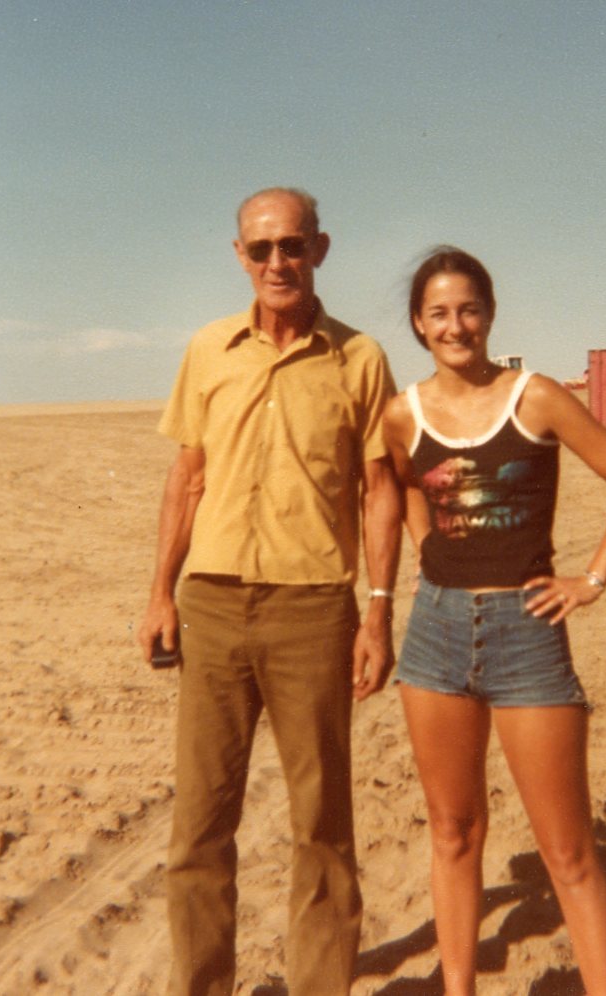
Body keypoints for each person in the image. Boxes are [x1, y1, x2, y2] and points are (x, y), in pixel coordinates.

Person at [137, 187, 401, 996]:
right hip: (212, 606)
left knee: (321, 825)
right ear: (239, 256)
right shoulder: (208, 349)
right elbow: (186, 480)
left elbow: (381, 489)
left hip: (314, 611)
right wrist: (160, 594)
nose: (277, 262)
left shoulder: (359, 358)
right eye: (261, 249)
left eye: (293, 245)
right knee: (199, 827)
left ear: (321, 249)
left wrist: (379, 611)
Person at [382, 247, 606, 996]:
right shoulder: (401, 413)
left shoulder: (534, 397)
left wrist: (591, 579)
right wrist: (423, 547)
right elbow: (406, 485)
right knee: (453, 833)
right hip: (434, 633)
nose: (455, 325)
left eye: (468, 309)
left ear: (490, 313)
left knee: (568, 852)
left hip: (527, 632)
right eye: (438, 312)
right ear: (418, 322)